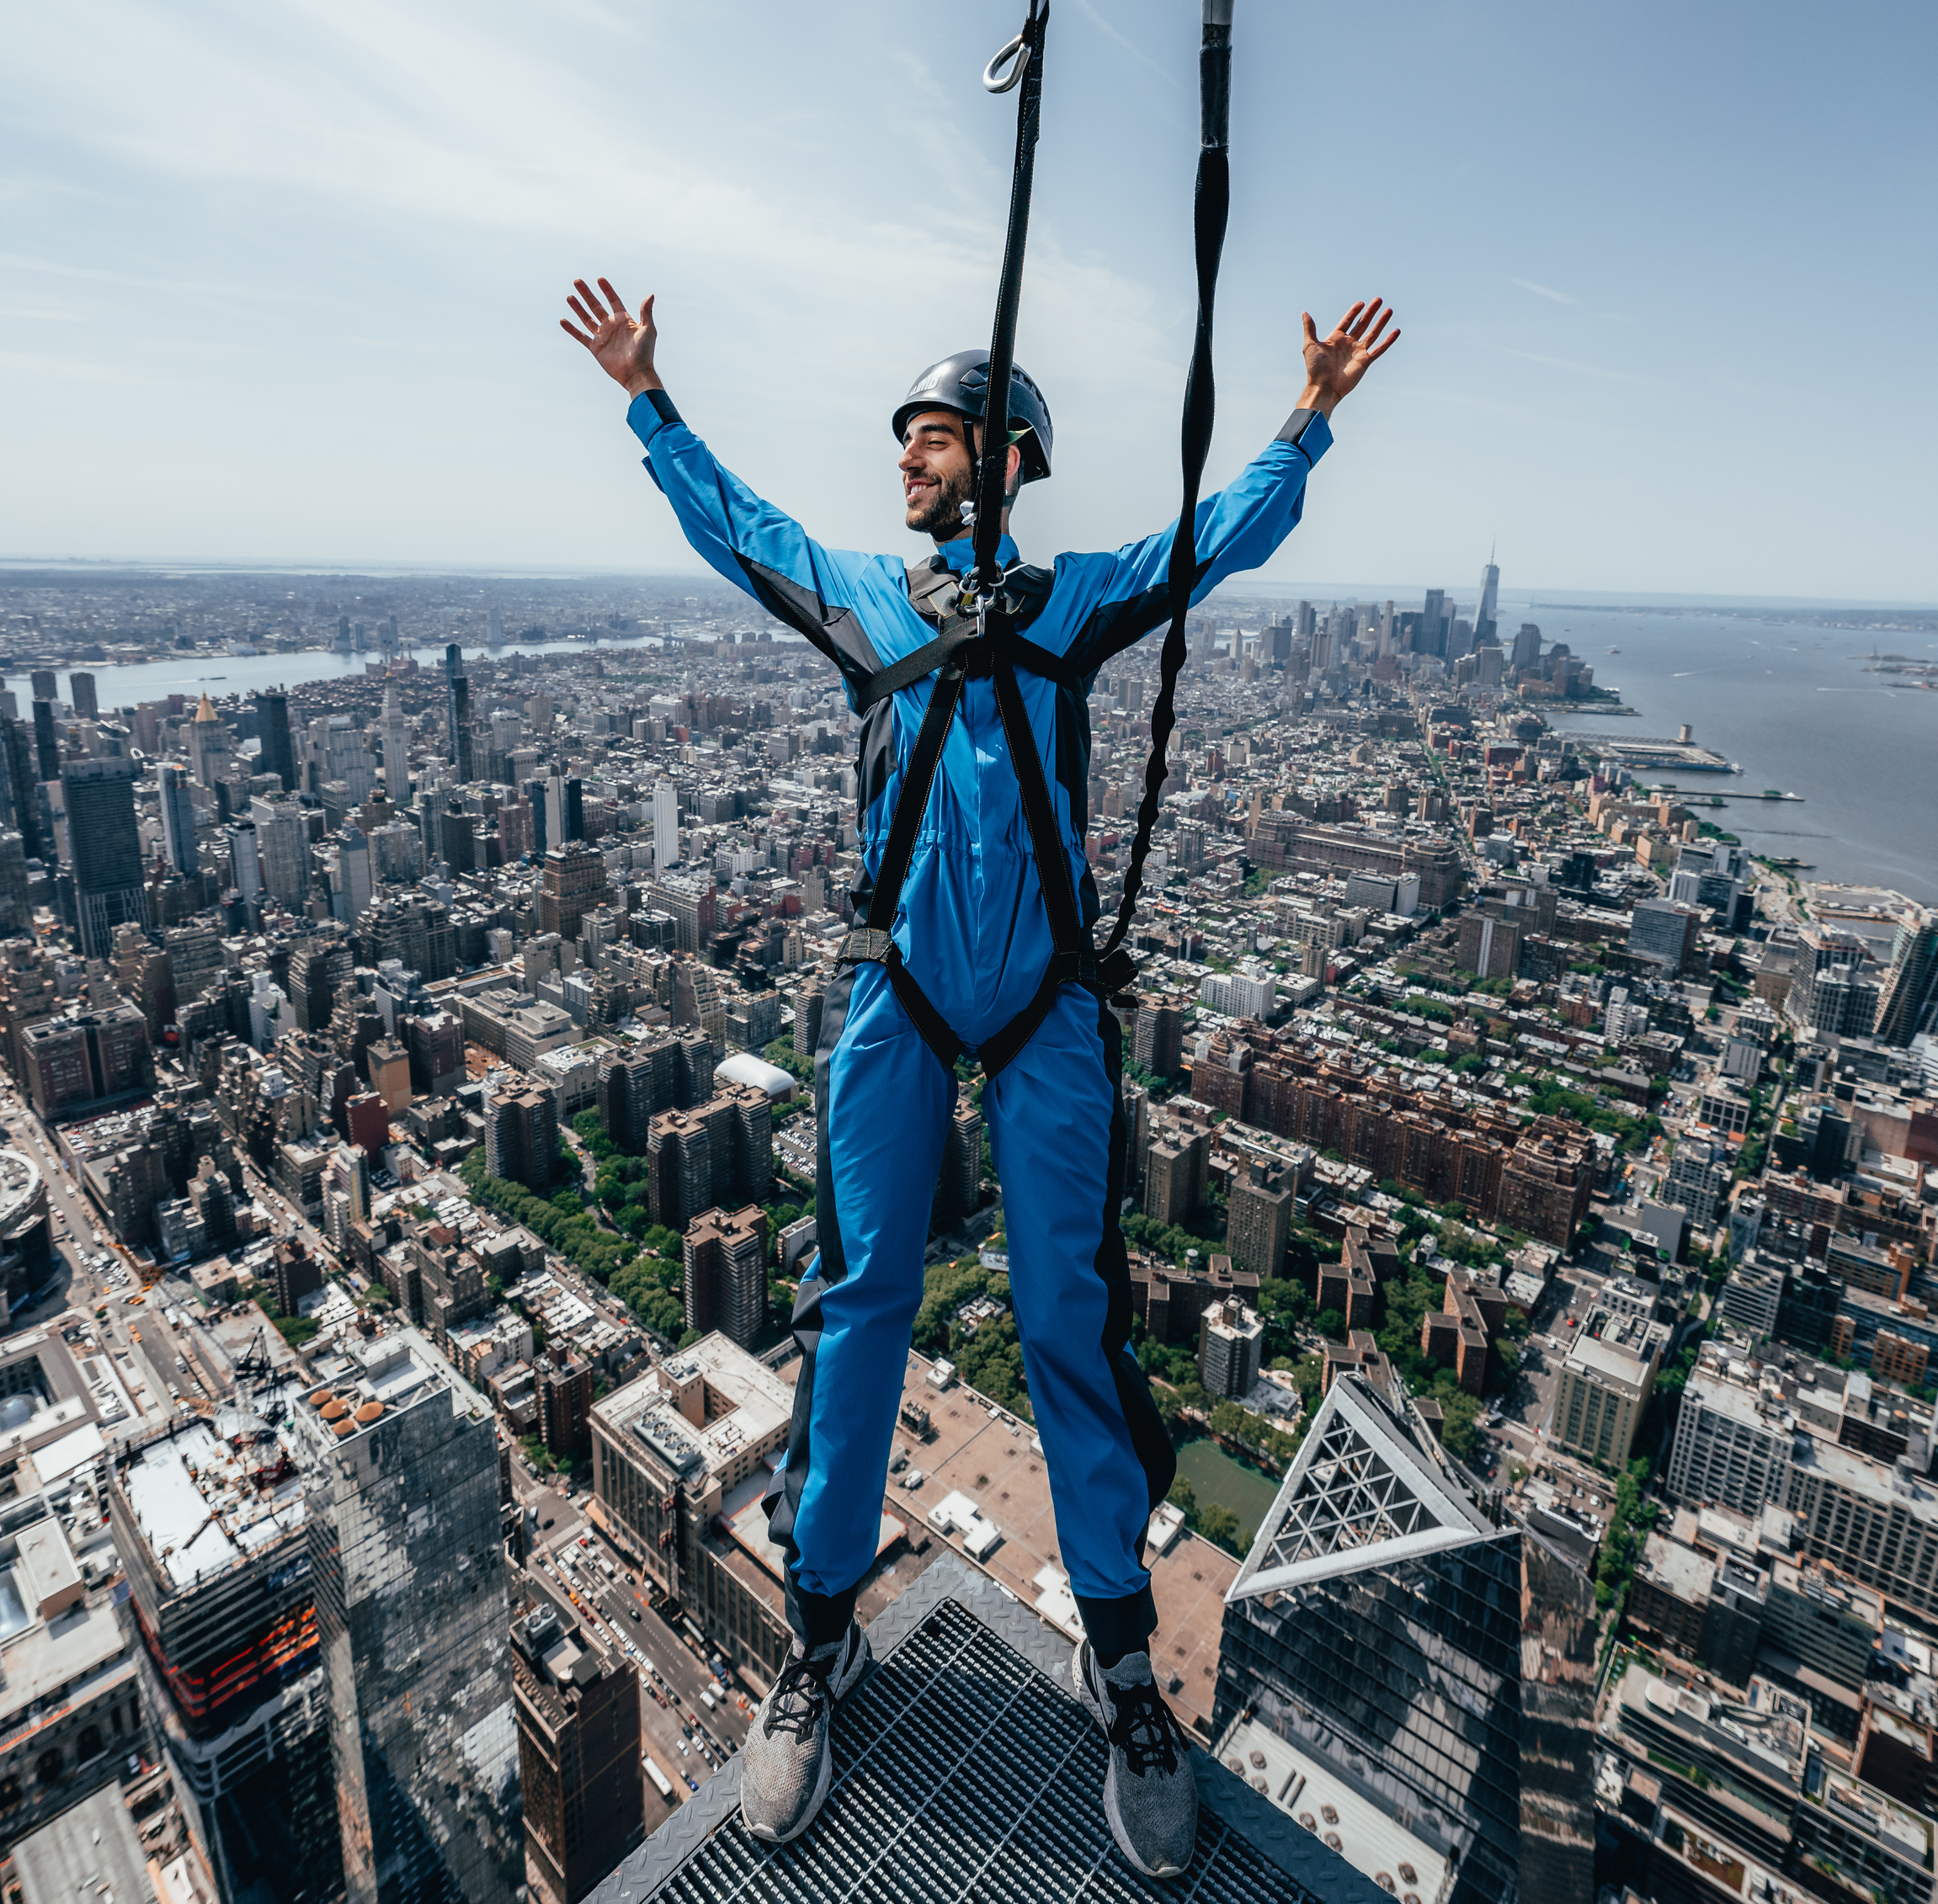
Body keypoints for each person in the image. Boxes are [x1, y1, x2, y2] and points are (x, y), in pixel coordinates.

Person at [556, 275, 1398, 1880]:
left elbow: (1211, 543)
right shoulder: (877, 606)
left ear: (1006, 459)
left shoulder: (1071, 608)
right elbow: (747, 535)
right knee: (859, 1308)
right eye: (907, 442)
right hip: (901, 996)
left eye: (932, 439)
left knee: (1070, 1320)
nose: (906, 460)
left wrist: (1308, 418)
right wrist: (648, 403)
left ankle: (1123, 1667)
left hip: (1047, 1011)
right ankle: (820, 1645)